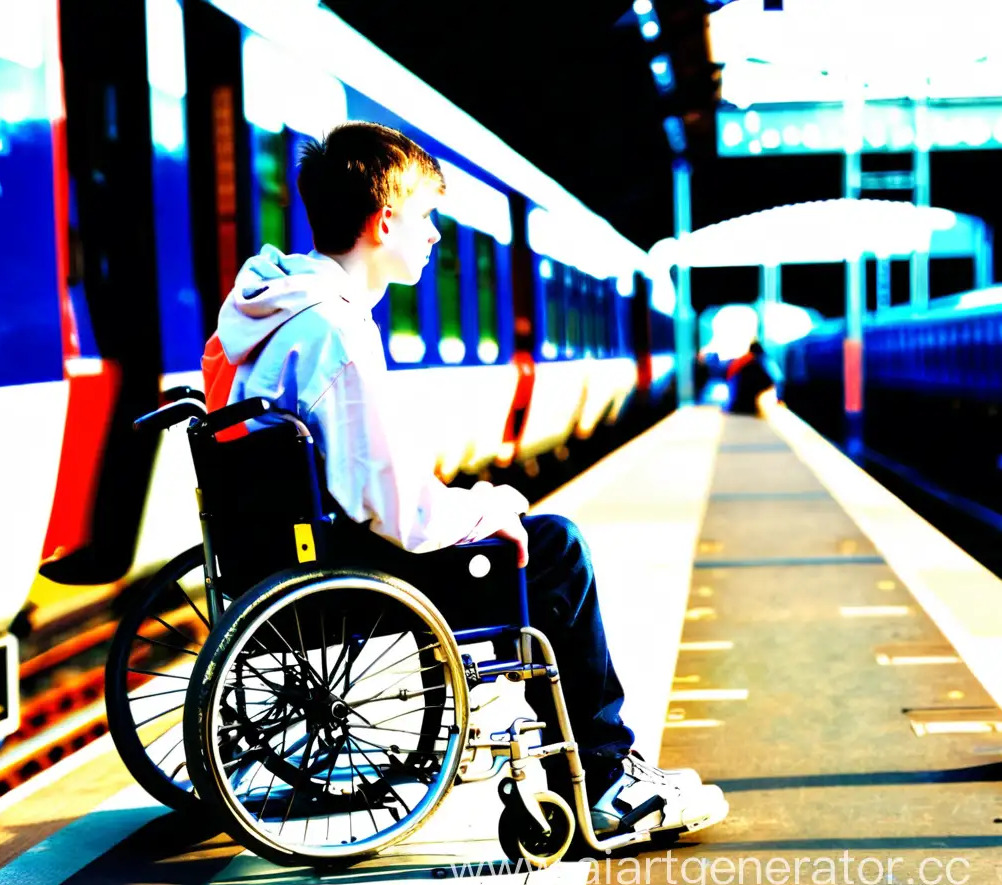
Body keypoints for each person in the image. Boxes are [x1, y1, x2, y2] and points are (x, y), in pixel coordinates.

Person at [202, 121, 727, 844]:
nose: (435, 238)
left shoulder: (269, 314)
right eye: (426, 219)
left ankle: (607, 768)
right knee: (554, 550)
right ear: (384, 222)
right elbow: (401, 515)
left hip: (286, 563)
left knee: (528, 535)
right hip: (356, 572)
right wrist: (490, 509)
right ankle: (608, 778)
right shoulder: (337, 334)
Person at [726, 340, 777, 415]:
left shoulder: (746, 359)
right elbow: (769, 380)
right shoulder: (753, 361)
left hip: (734, 386)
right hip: (741, 394)